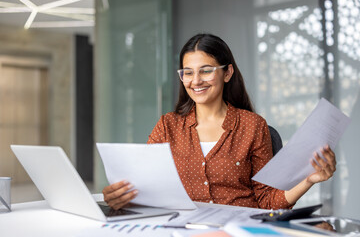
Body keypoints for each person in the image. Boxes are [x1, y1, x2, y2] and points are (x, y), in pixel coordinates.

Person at [102, 33, 336, 210]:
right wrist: (120, 195)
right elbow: (145, 186)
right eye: (188, 72)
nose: (195, 81)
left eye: (205, 71)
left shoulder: (253, 126)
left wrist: (309, 179)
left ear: (227, 73)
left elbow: (268, 201)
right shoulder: (168, 126)